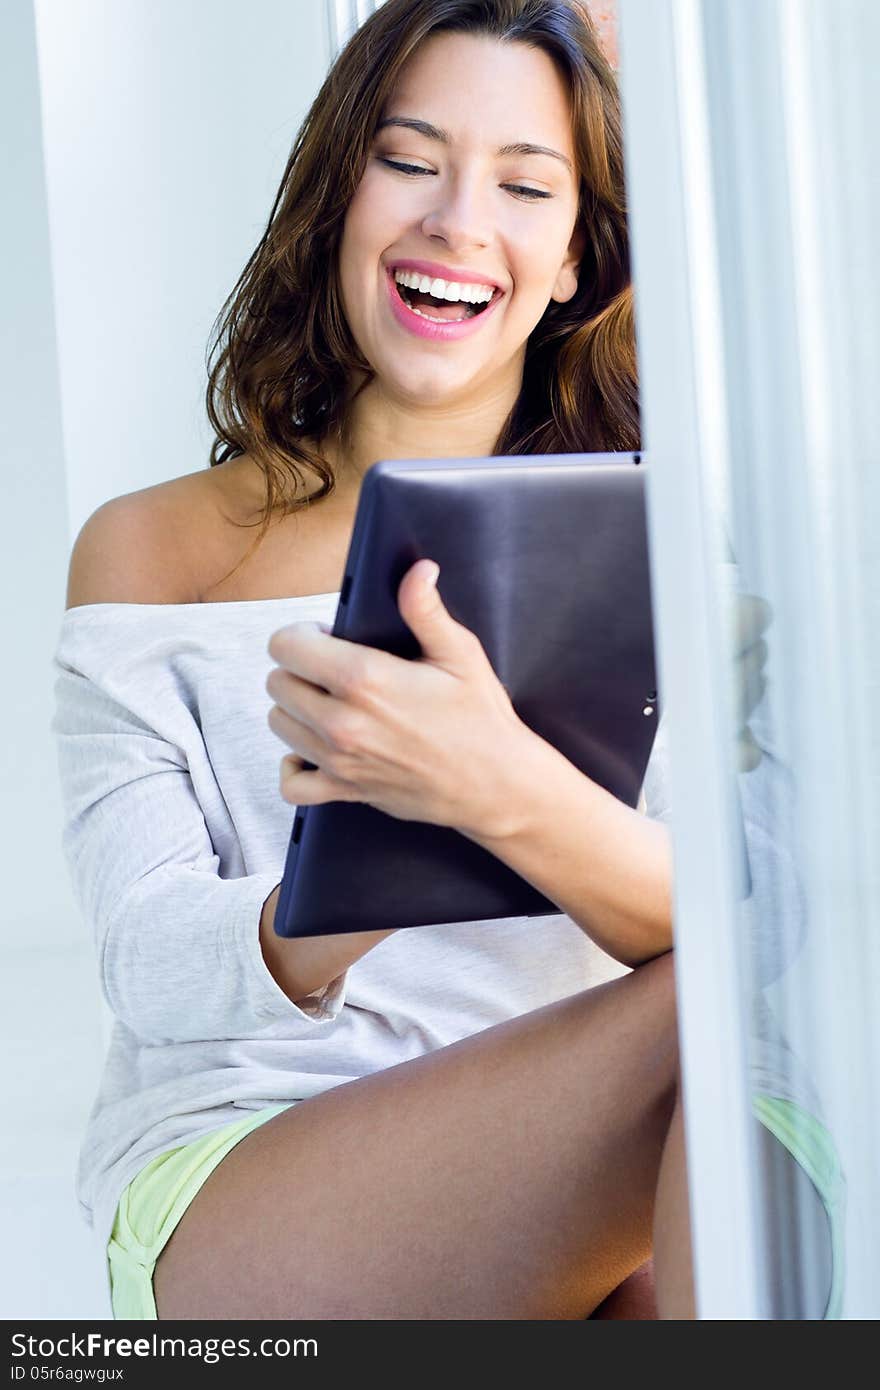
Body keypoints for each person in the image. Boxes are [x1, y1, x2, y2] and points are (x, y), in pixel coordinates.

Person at [52, 0, 839, 1320]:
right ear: (339, 195)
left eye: (526, 185)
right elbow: (148, 956)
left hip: (607, 1165)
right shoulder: (153, 551)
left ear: (576, 259)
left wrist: (489, 785)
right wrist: (361, 849)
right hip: (265, 1167)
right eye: (411, 160)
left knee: (737, 1053)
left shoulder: (666, 538)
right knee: (715, 1016)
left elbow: (752, 903)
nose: (458, 223)